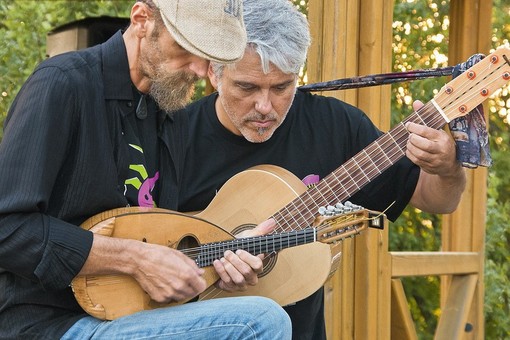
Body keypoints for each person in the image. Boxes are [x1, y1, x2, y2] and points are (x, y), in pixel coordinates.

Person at [0, 0, 293, 339]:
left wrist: (222, 255)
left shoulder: (166, 112)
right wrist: (133, 258)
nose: (199, 70)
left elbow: (159, 246)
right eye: (186, 47)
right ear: (142, 20)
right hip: (48, 325)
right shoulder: (63, 83)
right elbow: (7, 227)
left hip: (130, 316)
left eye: (209, 56)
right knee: (260, 321)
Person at [176, 0, 467, 339]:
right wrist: (210, 263)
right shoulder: (174, 135)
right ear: (214, 71)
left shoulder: (336, 127)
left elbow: (437, 201)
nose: (265, 106)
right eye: (247, 87)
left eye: (282, 87)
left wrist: (448, 168)